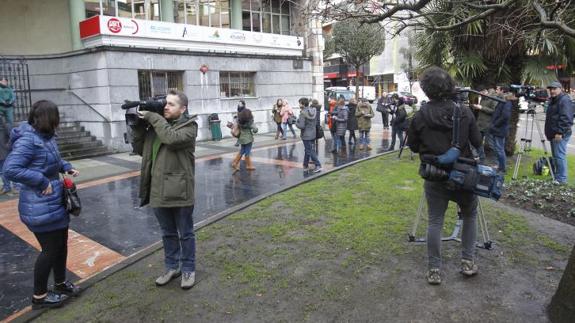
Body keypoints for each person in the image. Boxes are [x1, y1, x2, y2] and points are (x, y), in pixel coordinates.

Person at [407, 66, 482, 285]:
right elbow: (477, 142)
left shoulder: (420, 115)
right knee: (469, 215)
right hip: (464, 175)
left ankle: (434, 270)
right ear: (449, 85)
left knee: (435, 222)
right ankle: (468, 262)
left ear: (425, 89)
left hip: (434, 176)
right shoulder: (464, 112)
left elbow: (412, 146)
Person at [3, 100, 81, 308]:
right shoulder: (28, 140)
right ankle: (39, 297)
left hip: (55, 203)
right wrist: (41, 180)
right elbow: (11, 169)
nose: (59, 121)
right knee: (50, 249)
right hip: (39, 206)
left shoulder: (46, 137)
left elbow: (51, 160)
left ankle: (60, 283)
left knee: (61, 246)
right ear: (49, 118)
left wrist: (66, 166)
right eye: (56, 117)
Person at [131, 90, 198, 289]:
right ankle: (172, 267)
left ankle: (188, 269)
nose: (166, 107)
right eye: (165, 104)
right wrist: (137, 126)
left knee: (185, 233)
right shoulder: (155, 128)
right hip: (158, 189)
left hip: (180, 191)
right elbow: (139, 149)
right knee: (167, 233)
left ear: (183, 108)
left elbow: (172, 139)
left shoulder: (189, 126)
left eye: (171, 104)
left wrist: (152, 117)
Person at [545, 81, 574, 184]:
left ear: (560, 89)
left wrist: (560, 132)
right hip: (553, 133)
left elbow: (566, 118)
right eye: (550, 89)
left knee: (559, 156)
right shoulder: (554, 100)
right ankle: (557, 177)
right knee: (556, 156)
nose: (552, 91)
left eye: (554, 89)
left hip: (560, 133)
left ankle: (561, 179)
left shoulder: (564, 100)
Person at [488, 86, 512, 173]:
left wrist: (495, 125)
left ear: (502, 90)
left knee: (499, 149)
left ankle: (502, 168)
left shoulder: (506, 101)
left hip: (500, 130)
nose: (496, 91)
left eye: (498, 89)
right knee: (497, 148)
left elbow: (505, 116)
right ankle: (499, 166)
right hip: (497, 129)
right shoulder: (502, 100)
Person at [471, 86, 497, 163]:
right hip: (480, 124)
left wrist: (482, 108)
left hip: (488, 124)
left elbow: (494, 111)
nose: (480, 94)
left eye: (481, 92)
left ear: (485, 91)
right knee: (477, 142)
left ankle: (497, 162)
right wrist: (476, 107)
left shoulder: (493, 98)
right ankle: (481, 158)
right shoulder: (483, 97)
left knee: (491, 144)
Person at [296, 97, 322, 173]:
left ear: (303, 104)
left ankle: (318, 165)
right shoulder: (313, 110)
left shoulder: (303, 113)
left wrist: (295, 123)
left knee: (310, 151)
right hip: (313, 134)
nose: (299, 105)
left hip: (306, 135)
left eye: (300, 103)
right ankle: (305, 165)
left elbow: (301, 126)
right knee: (308, 150)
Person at [231, 105, 258, 173]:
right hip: (248, 139)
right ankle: (249, 165)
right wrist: (254, 128)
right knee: (247, 152)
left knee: (242, 151)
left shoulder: (239, 121)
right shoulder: (250, 122)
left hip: (241, 139)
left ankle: (235, 163)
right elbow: (255, 129)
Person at [0, 114, 12, 195]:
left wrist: (8, 146)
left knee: (6, 170)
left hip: (4, 151)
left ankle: (10, 186)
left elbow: (11, 137)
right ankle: (6, 186)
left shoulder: (5, 126)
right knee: (1, 171)